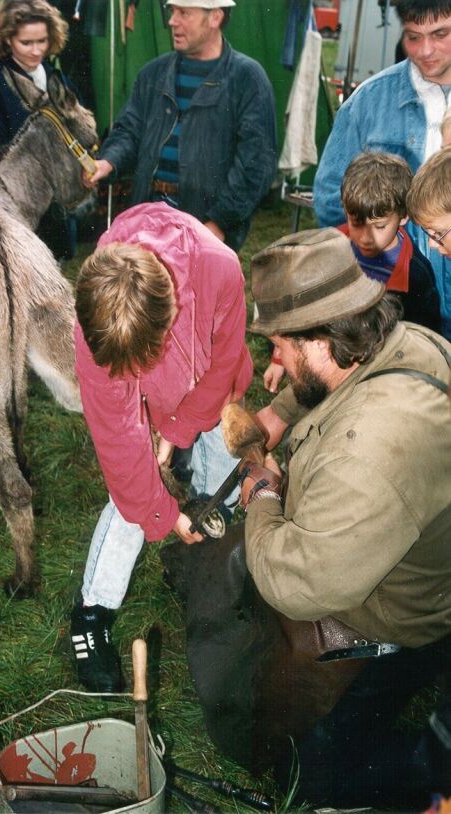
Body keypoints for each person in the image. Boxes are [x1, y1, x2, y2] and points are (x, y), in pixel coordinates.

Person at [240, 227, 451, 807]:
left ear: (324, 341)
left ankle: (428, 783)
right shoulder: (400, 335)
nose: (273, 358)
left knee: (306, 776)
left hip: (405, 620)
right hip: (403, 557)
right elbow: (327, 379)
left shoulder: (371, 449)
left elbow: (295, 582)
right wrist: (282, 410)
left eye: (280, 345)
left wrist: (263, 495)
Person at [70, 201, 253, 691]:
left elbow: (223, 364)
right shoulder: (98, 323)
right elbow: (118, 446)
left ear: (168, 317)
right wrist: (161, 511)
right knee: (133, 488)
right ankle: (92, 614)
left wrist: (180, 428)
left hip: (210, 384)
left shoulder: (220, 269)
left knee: (222, 482)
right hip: (148, 395)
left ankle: (209, 561)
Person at [86, 0, 277, 253]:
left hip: (205, 227)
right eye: (172, 11)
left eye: (184, 13)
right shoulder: (152, 74)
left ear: (215, 18)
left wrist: (219, 223)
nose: (172, 21)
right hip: (147, 218)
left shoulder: (247, 79)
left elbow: (256, 163)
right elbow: (129, 131)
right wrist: (107, 161)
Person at [313, 0, 451, 339]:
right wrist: (385, 253)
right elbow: (331, 200)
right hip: (396, 309)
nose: (426, 50)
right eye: (413, 37)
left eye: (441, 34)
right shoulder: (368, 102)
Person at [0, 0, 77, 259]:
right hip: (13, 210)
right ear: (7, 41)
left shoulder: (57, 78)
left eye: (42, 41)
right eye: (26, 43)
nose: (36, 51)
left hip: (54, 210)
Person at [338, 151, 441, 332]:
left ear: (403, 216)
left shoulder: (416, 275)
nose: (365, 238)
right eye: (356, 223)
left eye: (379, 227)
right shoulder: (330, 247)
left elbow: (424, 337)